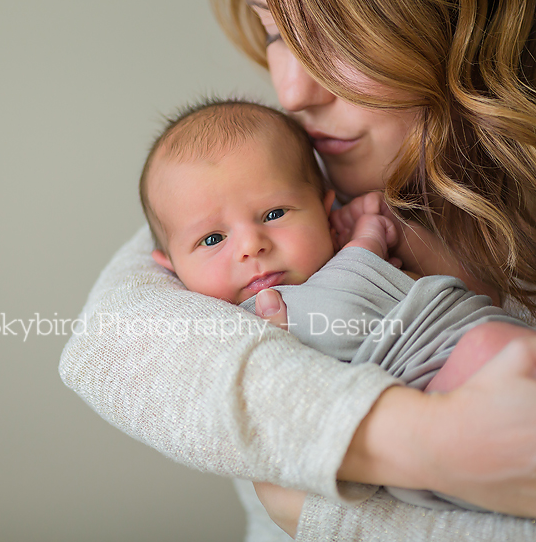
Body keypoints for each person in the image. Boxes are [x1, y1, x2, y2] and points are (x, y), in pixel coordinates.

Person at [59, 0, 536, 539]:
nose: (291, 93)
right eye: (275, 33)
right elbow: (109, 342)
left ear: (467, 23)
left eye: (338, 37)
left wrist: (308, 509)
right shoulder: (269, 187)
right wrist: (424, 444)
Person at [141, 97, 532, 511]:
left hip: (461, 349)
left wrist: (366, 229)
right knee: (489, 351)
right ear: (171, 268)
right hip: (433, 411)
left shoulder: (342, 261)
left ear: (325, 211)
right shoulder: (227, 331)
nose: (251, 245)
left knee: (495, 348)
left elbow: (365, 258)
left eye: (274, 213)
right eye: (213, 239)